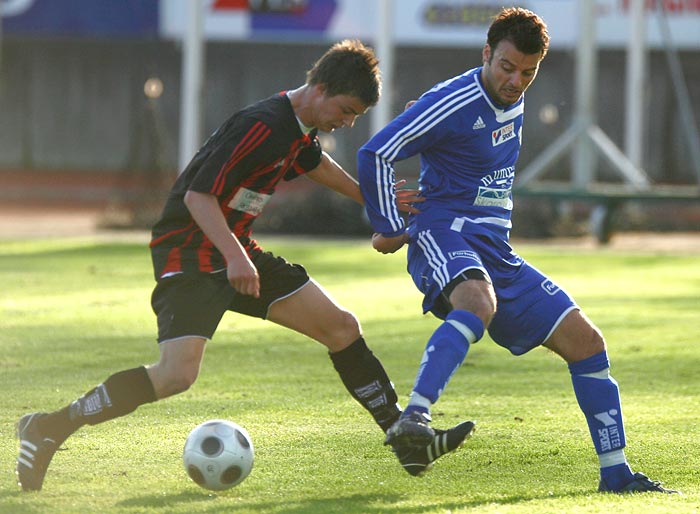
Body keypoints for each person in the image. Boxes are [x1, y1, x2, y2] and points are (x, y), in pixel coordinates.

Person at [15, 40, 471, 492]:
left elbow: (315, 164)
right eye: (346, 109)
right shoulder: (262, 124)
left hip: (235, 248)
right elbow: (197, 195)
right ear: (321, 87)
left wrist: (377, 199)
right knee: (176, 375)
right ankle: (50, 427)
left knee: (341, 327)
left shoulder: (298, 129)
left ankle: (404, 439)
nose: (347, 122)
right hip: (191, 249)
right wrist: (234, 255)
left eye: (354, 116)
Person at [357, 8, 678, 494]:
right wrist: (388, 226)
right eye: (506, 67)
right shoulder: (453, 99)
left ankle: (616, 473)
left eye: (527, 72)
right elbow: (376, 151)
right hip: (446, 232)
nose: (515, 80)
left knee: (587, 342)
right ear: (486, 53)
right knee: (477, 303)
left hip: (495, 251)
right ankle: (414, 419)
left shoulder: (512, 93)